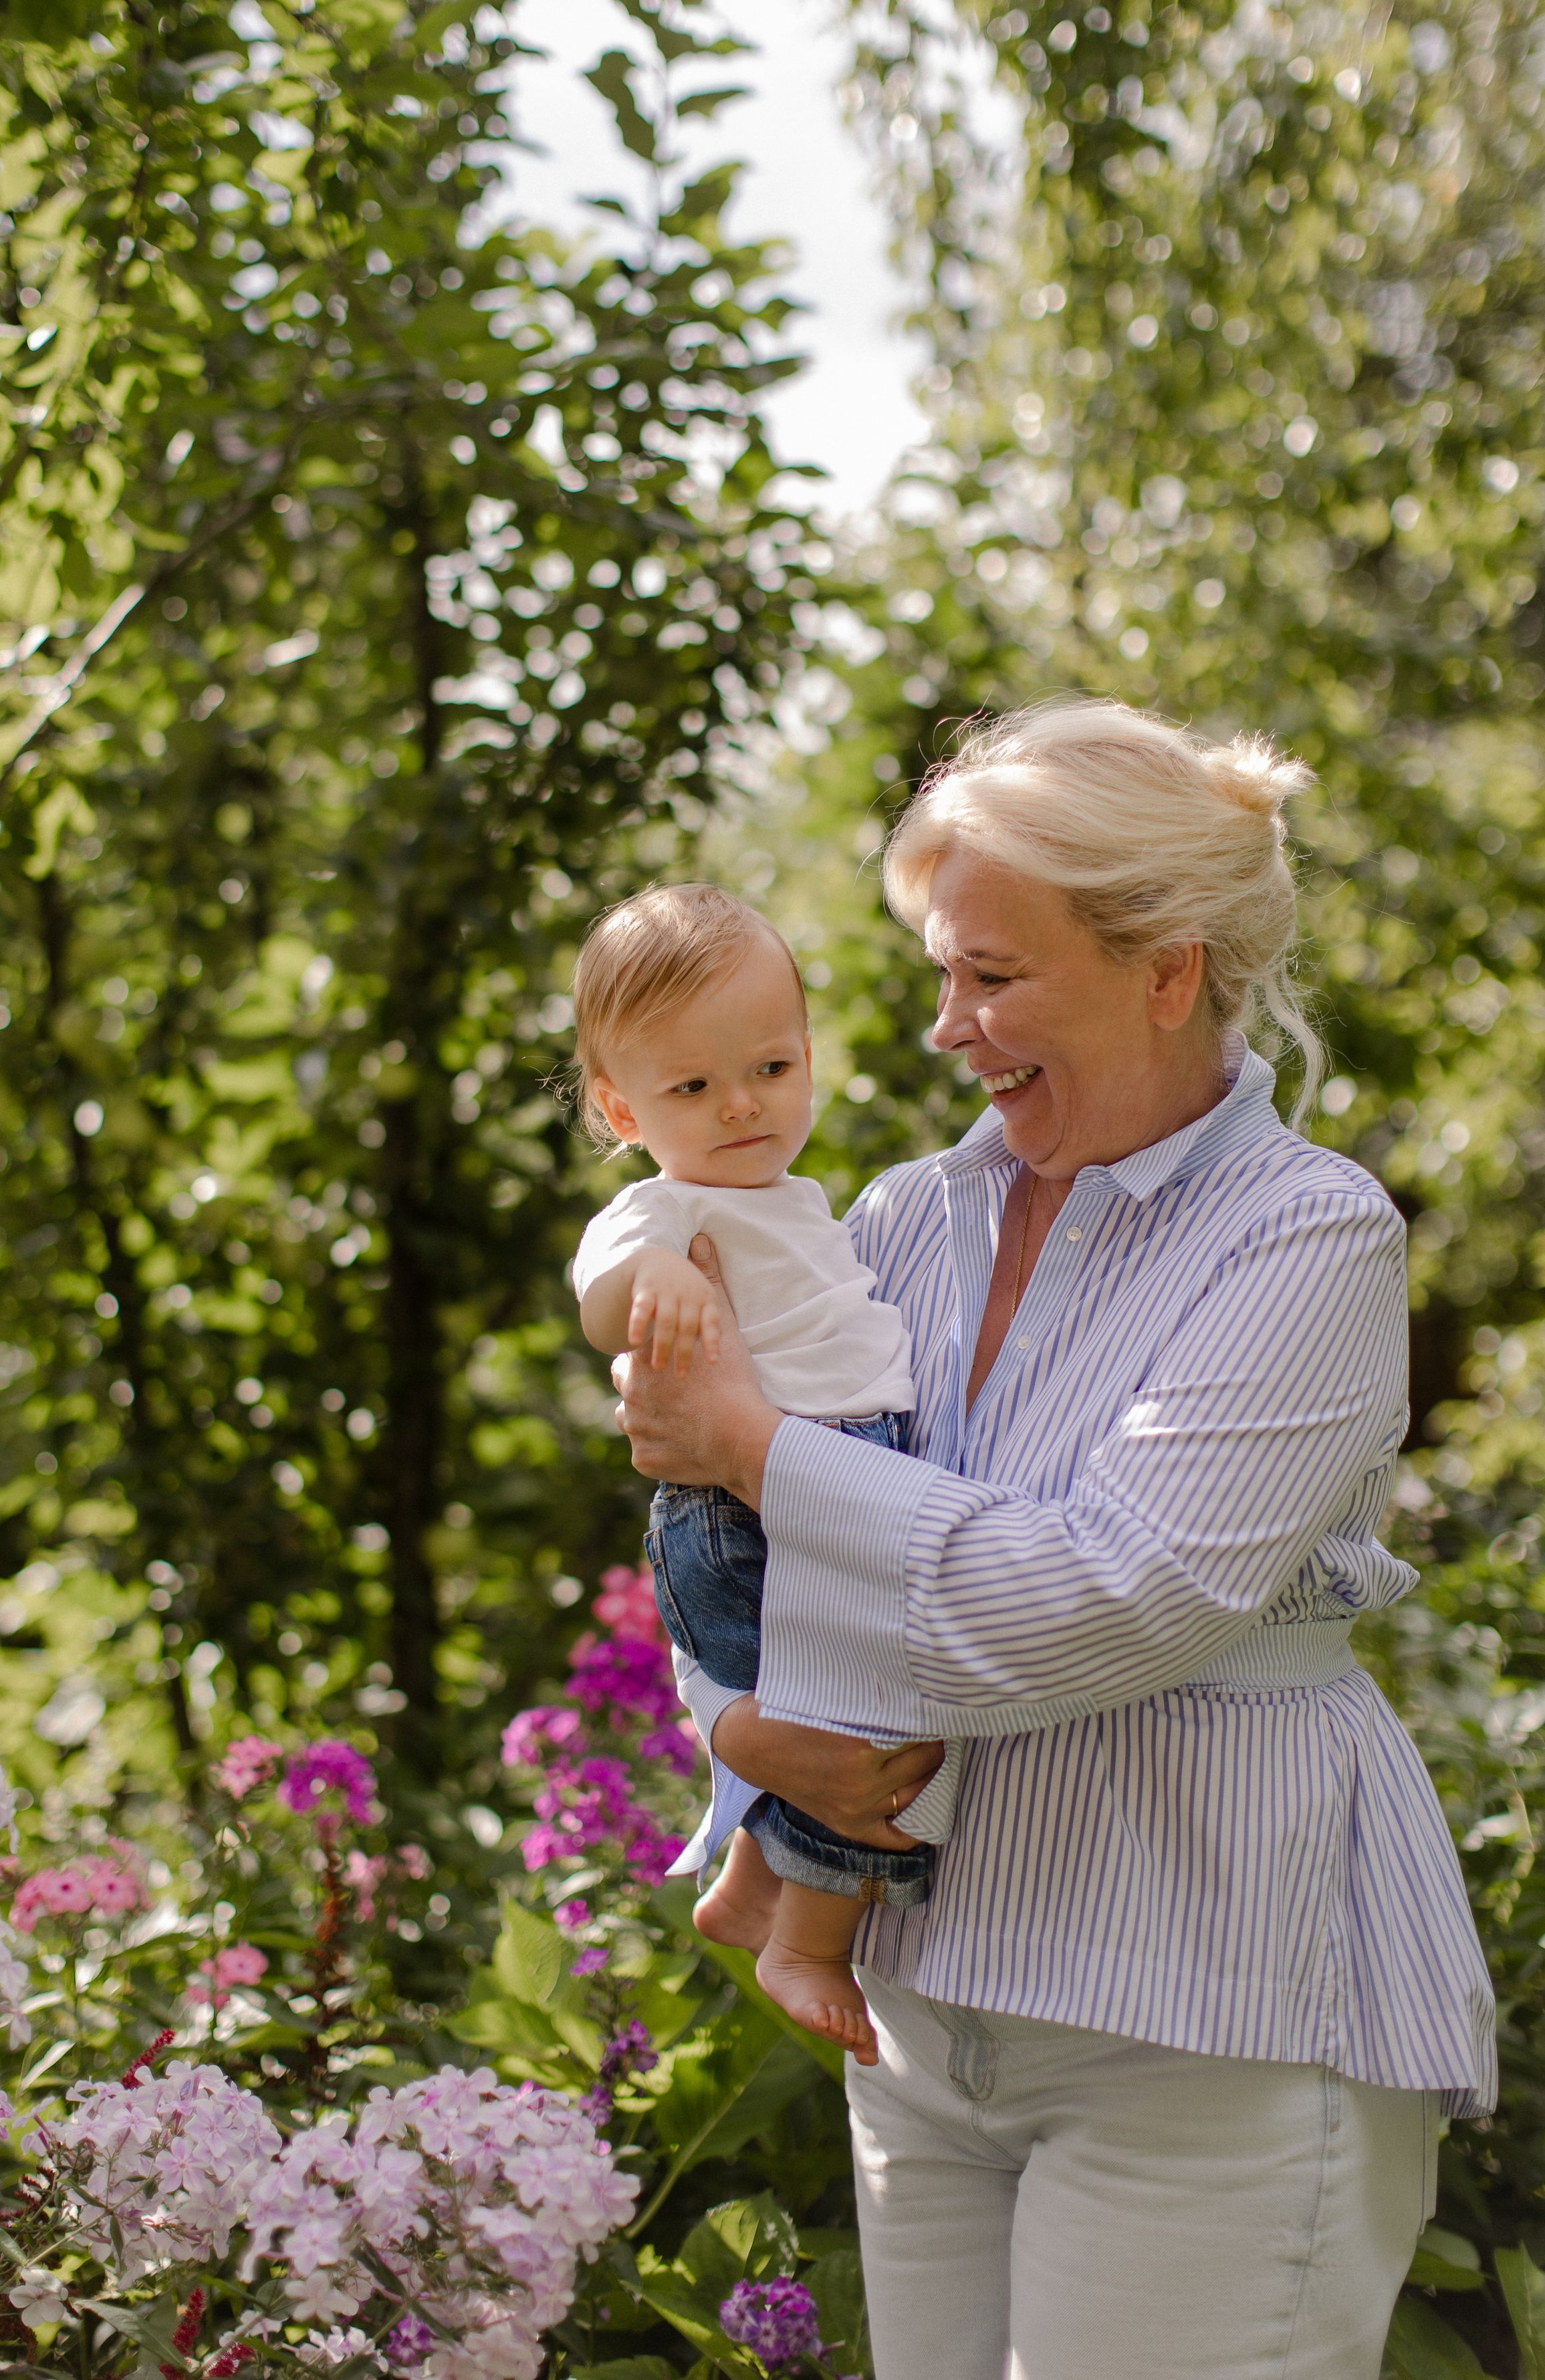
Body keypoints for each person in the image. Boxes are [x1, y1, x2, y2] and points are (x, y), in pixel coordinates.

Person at [611, 700, 1496, 2380]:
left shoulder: (1308, 1240)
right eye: (942, 974)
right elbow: (719, 1542)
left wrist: (756, 1439)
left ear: (1164, 968)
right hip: (927, 2002)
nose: (947, 1028)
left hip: (1203, 2019)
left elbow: (1098, 1603)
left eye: (992, 977)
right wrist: (738, 1730)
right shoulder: (900, 1221)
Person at [570, 883, 965, 2064]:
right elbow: (601, 1300)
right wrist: (658, 1286)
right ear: (619, 1105)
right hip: (748, 1514)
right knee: (859, 1725)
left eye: (773, 1068)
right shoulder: (661, 1208)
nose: (741, 1106)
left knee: (835, 1707)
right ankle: (809, 1942)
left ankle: (751, 1879)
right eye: (691, 1088)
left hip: (824, 1479)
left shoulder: (799, 1198)